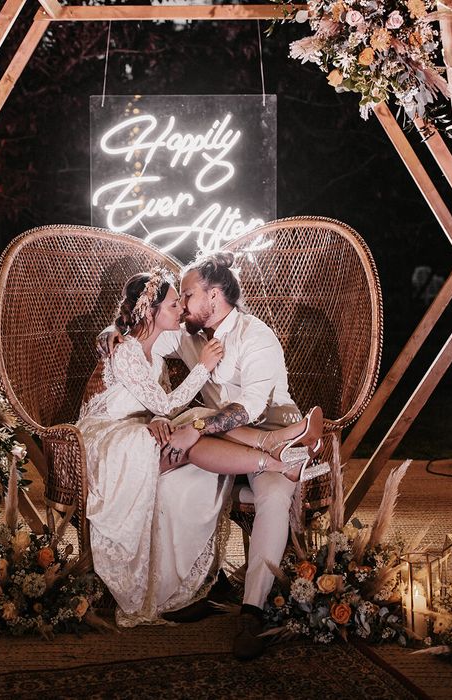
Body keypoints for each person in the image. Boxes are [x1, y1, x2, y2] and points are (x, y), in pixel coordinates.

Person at [102, 252, 324, 659]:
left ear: (215, 295)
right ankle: (197, 583)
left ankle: (252, 611)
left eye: (187, 294)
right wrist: (110, 334)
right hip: (217, 441)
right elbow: (141, 333)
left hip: (267, 426)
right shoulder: (188, 332)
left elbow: (253, 408)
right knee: (168, 476)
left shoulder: (257, 337)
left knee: (273, 497)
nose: (182, 303)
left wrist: (195, 428)